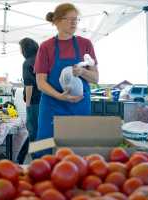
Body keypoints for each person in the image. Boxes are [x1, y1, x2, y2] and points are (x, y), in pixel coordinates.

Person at [34, 3, 99, 153]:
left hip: (79, 105)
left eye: (75, 19)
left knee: (77, 148)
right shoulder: (45, 46)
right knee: (43, 145)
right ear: (56, 21)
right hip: (52, 105)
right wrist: (59, 96)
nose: (73, 23)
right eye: (69, 19)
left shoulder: (85, 44)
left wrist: (83, 72)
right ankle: (40, 171)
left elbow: (95, 78)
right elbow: (40, 82)